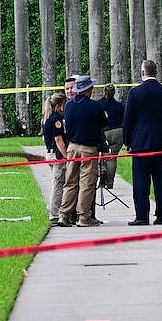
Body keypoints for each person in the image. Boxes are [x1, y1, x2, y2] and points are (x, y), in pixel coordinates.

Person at [122, 60, 162, 226]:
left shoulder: (135, 93)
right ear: (156, 72)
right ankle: (161, 215)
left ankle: (142, 216)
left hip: (141, 144)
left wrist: (128, 141)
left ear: (142, 73)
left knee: (141, 181)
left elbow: (128, 120)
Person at [58, 75, 108, 227]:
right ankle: (83, 216)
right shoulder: (96, 106)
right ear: (88, 90)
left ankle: (64, 214)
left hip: (72, 147)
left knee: (70, 182)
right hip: (88, 148)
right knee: (86, 183)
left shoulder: (69, 105)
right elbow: (104, 124)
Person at [42, 92, 67, 225]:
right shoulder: (56, 119)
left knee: (58, 183)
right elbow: (58, 139)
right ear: (58, 105)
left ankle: (56, 212)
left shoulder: (47, 117)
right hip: (57, 155)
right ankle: (54, 214)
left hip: (50, 153)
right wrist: (66, 156)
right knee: (58, 185)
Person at [98, 84, 124, 189]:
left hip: (105, 132)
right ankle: (110, 183)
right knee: (112, 158)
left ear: (104, 92)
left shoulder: (99, 104)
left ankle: (103, 171)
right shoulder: (119, 105)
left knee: (102, 155)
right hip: (118, 132)